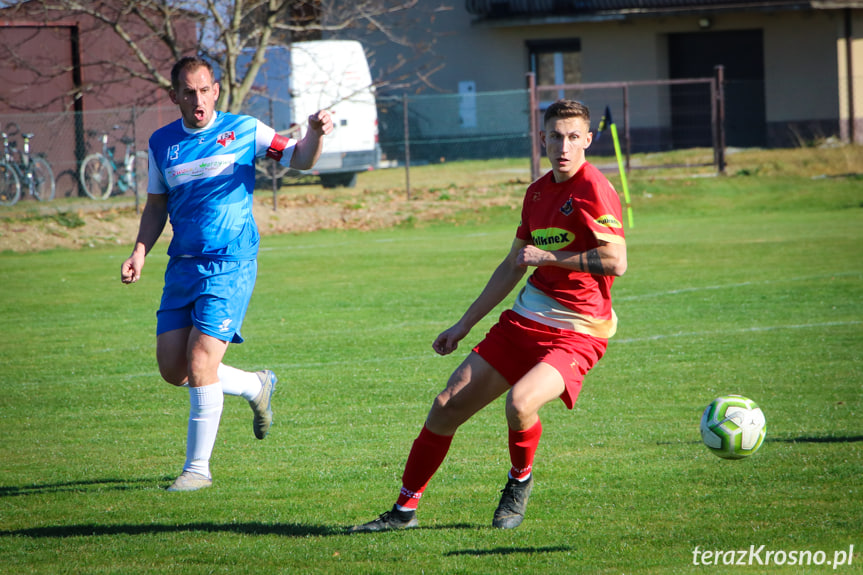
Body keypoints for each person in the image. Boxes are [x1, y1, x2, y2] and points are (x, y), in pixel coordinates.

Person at [348, 99, 626, 532]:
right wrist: (463, 325)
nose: (564, 146)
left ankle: (519, 481)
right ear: (542, 139)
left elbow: (616, 261)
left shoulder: (594, 187)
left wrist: (550, 256)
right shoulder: (535, 192)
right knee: (444, 407)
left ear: (589, 140)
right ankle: (403, 511)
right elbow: (513, 265)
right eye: (556, 136)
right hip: (525, 320)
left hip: (577, 330)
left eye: (574, 137)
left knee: (520, 403)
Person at [121, 56, 333, 492]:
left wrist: (313, 134)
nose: (197, 100)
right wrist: (140, 251)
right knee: (173, 369)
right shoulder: (162, 143)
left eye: (204, 90)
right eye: (188, 92)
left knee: (201, 362)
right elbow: (156, 205)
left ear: (216, 90)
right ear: (174, 95)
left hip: (230, 264)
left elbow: (301, 158)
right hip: (182, 265)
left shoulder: (245, 130)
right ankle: (255, 385)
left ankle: (197, 470)